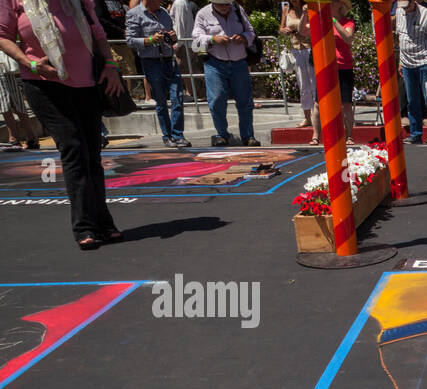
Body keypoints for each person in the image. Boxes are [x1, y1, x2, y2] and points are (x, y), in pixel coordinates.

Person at [0, 0, 125, 247]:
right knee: (74, 148)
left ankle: (103, 220)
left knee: (92, 153)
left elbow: (97, 32)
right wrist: (31, 63)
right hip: (43, 83)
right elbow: (3, 36)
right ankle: (85, 226)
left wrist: (110, 64)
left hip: (87, 83)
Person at [191, 1, 257, 147]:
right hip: (215, 63)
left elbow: (251, 31)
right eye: (221, 5)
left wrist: (244, 37)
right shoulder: (202, 14)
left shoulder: (238, 10)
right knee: (216, 100)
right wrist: (213, 39)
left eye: (227, 4)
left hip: (239, 62)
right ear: (213, 3)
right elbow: (195, 39)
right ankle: (222, 135)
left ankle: (248, 136)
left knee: (245, 101)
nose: (225, 7)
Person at [127, 0, 188, 147]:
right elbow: (130, 40)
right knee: (160, 100)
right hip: (151, 61)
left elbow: (173, 37)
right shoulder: (134, 14)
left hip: (169, 59)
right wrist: (149, 40)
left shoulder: (164, 13)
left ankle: (178, 135)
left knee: (177, 96)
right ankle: (167, 136)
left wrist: (172, 37)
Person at [395, 0, 427, 144]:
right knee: (412, 100)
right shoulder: (399, 12)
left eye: (407, 6)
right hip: (406, 64)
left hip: (424, 62)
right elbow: (401, 38)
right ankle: (415, 133)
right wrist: (400, 62)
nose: (405, 9)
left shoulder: (425, 13)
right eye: (403, 7)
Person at [280, 0, 319, 143]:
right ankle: (307, 117)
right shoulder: (286, 9)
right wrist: (284, 31)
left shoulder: (307, 7)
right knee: (303, 85)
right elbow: (281, 28)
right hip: (295, 49)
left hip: (310, 47)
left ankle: (318, 117)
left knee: (315, 84)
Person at [0, 45, 39, 148]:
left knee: (9, 103)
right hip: (3, 68)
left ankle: (17, 138)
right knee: (7, 103)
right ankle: (26, 137)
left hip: (3, 68)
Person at [329, 0, 355, 144]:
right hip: (327, 68)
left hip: (344, 66)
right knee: (327, 103)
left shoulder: (348, 22)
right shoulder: (322, 20)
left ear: (340, 4)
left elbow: (348, 37)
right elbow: (304, 31)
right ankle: (331, 135)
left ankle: (349, 135)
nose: (330, 4)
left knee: (346, 104)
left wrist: (333, 20)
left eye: (333, 2)